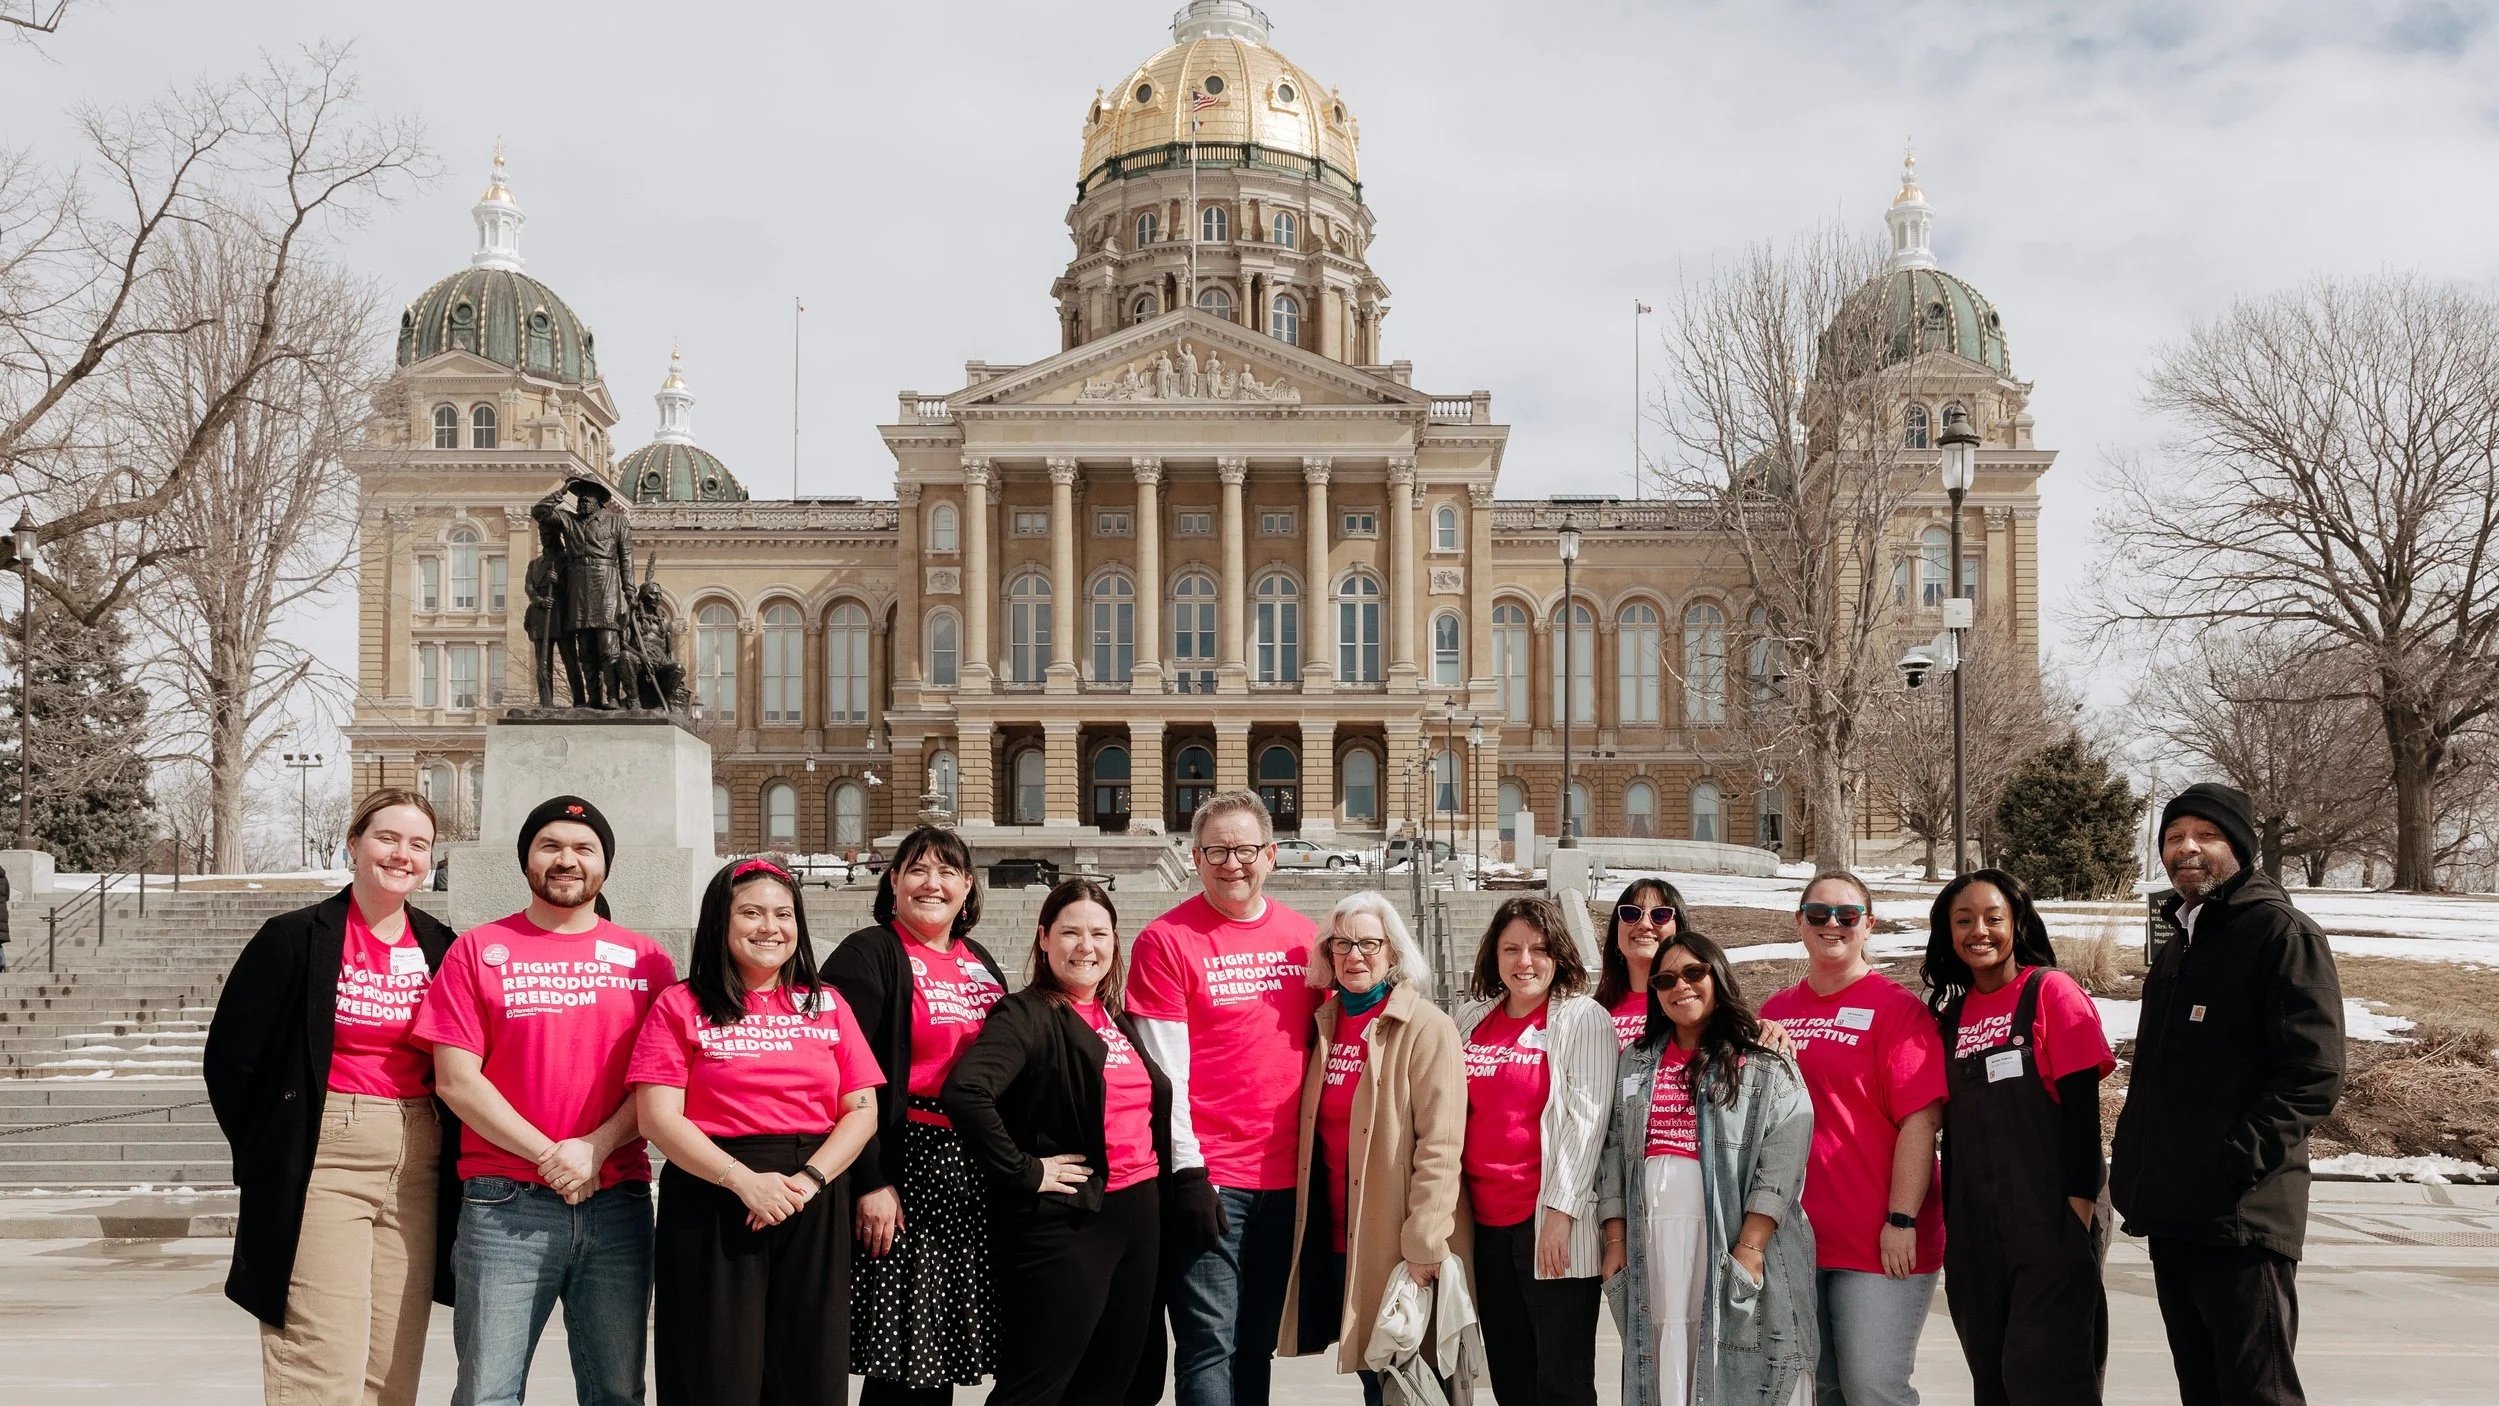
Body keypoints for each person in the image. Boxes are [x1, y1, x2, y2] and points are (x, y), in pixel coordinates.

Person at [412, 795, 677, 1406]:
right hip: (505, 1206)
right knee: (487, 1392)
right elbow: (455, 1079)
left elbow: (662, 1084)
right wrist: (551, 1155)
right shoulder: (477, 951)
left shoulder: (648, 960)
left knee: (617, 1391)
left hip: (618, 1202)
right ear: (526, 859)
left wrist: (594, 1147)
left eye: (584, 848)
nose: (567, 860)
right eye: (550, 846)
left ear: (604, 865)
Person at [204, 789, 460, 1406]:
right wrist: (276, 1148)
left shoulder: (442, 945)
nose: (402, 855)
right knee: (322, 1356)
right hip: (325, 1155)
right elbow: (230, 1061)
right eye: (387, 838)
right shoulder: (295, 938)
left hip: (418, 1157)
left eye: (418, 844)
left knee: (393, 1358)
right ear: (354, 844)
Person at [2110, 783, 2345, 1406]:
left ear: (2239, 846)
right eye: (2172, 837)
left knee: (2257, 1393)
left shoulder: (2279, 934)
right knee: (2204, 1391)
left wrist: (2235, 1160)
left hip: (2242, 1219)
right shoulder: (2184, 942)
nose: (2186, 848)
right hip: (2176, 1215)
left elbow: (2313, 1072)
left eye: (2205, 835)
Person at [629, 858, 882, 1406]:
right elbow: (657, 1117)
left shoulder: (827, 1003)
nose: (770, 926)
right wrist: (743, 1181)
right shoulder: (681, 1003)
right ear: (721, 921)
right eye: (751, 912)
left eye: (783, 914)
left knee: (808, 1371)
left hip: (811, 1193)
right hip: (713, 1195)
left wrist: (810, 1180)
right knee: (716, 1370)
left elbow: (861, 1110)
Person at [942, 878, 1175, 1406]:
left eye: (1098, 933)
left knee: (1117, 1378)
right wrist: (1027, 1170)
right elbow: (967, 1092)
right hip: (1071, 1219)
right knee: (1039, 1384)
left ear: (1116, 942)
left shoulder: (1114, 1018)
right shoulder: (1025, 1013)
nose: (1085, 946)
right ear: (1044, 938)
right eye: (1070, 932)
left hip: (1139, 1214)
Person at [1125, 790, 1324, 1406]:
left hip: (1287, 1178)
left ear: (1271, 855)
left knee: (1256, 1341)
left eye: (1244, 850)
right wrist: (1189, 1173)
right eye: (1216, 850)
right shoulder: (1166, 940)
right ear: (1194, 857)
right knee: (1210, 1343)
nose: (1231, 862)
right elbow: (1165, 1074)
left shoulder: (1305, 940)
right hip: (1213, 1178)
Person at [822, 823, 1010, 1406]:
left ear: (969, 886)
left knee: (943, 1351)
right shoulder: (870, 953)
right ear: (894, 882)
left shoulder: (977, 960)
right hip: (907, 1165)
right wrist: (870, 1180)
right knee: (903, 1357)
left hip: (971, 1171)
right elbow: (839, 1073)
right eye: (919, 870)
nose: (934, 884)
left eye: (948, 872)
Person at [1918, 867, 2116, 1406]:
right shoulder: (1951, 1016)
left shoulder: (2052, 992)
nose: (1978, 931)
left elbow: (2082, 1117)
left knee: (2046, 1379)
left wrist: (2074, 1218)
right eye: (1963, 920)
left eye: (1992, 918)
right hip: (1976, 1231)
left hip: (2051, 1221)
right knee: (1992, 1380)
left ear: (2017, 923)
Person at [1597, 930, 1817, 1406]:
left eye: (1694, 973)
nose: (1681, 987)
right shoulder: (1635, 1060)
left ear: (1717, 975)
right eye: (1666, 979)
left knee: (1735, 1355)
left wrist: (1752, 1244)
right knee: (1664, 1353)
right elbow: (1614, 1149)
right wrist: (1614, 1238)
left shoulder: (1760, 1059)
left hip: (1726, 1232)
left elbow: (1784, 1156)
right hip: (1652, 1238)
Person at [1759, 873, 1947, 1406]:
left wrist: (1901, 1219)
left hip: (1878, 1239)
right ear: (1800, 922)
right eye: (1817, 914)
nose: (1831, 925)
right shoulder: (1775, 1013)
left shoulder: (1896, 1008)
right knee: (1820, 1389)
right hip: (1796, 1239)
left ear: (1869, 924)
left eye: (1846, 915)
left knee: (1874, 1388)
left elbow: (1920, 1120)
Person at [1276, 891, 1466, 1406]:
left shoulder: (1425, 1027)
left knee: (1410, 1383)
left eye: (1368, 943)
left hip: (1395, 1242)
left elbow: (1442, 1143)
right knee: (1374, 1379)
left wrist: (1426, 1237)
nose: (1354, 955)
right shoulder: (1328, 1023)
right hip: (1340, 1240)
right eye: (1341, 944)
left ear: (1394, 952)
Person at [1454, 895, 1617, 1406]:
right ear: (1494, 956)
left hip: (1548, 1226)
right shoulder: (1470, 1018)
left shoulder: (1580, 1018)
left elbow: (1586, 1121)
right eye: (1511, 949)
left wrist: (1560, 1211)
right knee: (1509, 1373)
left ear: (1558, 955)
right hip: (1484, 1227)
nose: (1525, 961)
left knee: (1561, 1382)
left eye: (1538, 949)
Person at [1596, 880, 1697, 1049]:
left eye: (1661, 915)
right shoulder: (1593, 1011)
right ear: (1616, 932)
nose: (1644, 924)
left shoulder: (1691, 1002)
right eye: (1630, 913)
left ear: (1679, 931)